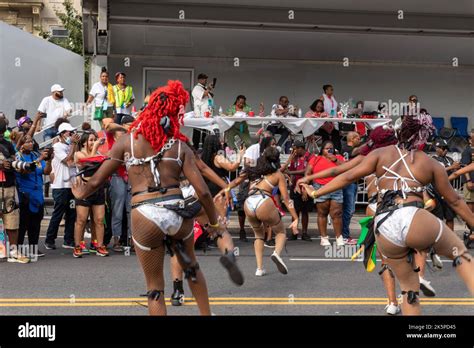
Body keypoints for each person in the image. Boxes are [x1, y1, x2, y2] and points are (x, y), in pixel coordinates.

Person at [72, 80, 224, 315]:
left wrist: (79, 193)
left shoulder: (126, 143)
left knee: (155, 289)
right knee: (192, 270)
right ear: (173, 115)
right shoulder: (180, 147)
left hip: (144, 213)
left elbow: (96, 180)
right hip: (177, 213)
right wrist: (214, 223)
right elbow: (203, 192)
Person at [301, 115, 474, 315]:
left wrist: (315, 192)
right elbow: (455, 201)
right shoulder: (430, 163)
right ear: (423, 137)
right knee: (460, 253)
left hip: (384, 225)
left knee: (409, 291)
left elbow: (346, 176)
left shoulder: (379, 155)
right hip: (412, 215)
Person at [222, 146, 299, 276]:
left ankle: (259, 268)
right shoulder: (278, 175)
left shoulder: (253, 169)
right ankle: (276, 253)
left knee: (258, 236)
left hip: (249, 202)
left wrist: (226, 190)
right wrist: (295, 217)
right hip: (264, 201)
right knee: (280, 232)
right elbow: (286, 198)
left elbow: (235, 181)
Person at [72, 131, 109, 258]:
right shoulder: (78, 154)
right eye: (91, 140)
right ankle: (77, 246)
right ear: (84, 142)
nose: (93, 142)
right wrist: (96, 148)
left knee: (99, 220)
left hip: (98, 189)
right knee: (81, 220)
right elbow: (90, 162)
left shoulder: (97, 153)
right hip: (84, 189)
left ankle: (99, 245)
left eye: (95, 140)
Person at [15, 136, 52, 259]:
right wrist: (40, 158)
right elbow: (26, 170)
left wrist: (48, 161)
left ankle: (33, 248)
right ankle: (18, 249)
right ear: (21, 144)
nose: (30, 144)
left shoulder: (35, 154)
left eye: (32, 141)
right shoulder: (18, 157)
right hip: (25, 195)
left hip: (38, 195)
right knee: (23, 224)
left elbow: (46, 171)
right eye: (27, 142)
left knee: (36, 223)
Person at [44, 123, 79, 250]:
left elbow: (75, 162)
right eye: (69, 133)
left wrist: (74, 145)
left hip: (72, 185)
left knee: (71, 214)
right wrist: (74, 145)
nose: (72, 135)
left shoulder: (71, 146)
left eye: (72, 132)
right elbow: (68, 161)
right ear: (62, 134)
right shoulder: (57, 146)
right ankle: (49, 240)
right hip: (60, 186)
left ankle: (68, 240)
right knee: (58, 214)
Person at [305, 140, 345, 247]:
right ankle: (324, 237)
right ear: (322, 150)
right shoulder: (315, 159)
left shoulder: (339, 157)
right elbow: (308, 172)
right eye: (327, 148)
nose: (329, 150)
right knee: (322, 213)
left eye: (331, 148)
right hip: (320, 187)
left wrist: (335, 159)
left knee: (337, 214)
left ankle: (339, 237)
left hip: (336, 187)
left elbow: (347, 167)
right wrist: (305, 186)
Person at [237, 131, 274, 241]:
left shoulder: (270, 151)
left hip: (264, 180)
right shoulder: (253, 148)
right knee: (242, 206)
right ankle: (242, 229)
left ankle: (265, 234)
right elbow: (246, 162)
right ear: (261, 139)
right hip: (249, 178)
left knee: (265, 205)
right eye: (267, 139)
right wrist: (259, 166)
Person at [0, 118, 28, 263]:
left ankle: (14, 251)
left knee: (12, 220)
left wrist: (18, 165)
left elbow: (14, 160)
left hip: (9, 187)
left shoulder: (8, 145)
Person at [281, 139, 314, 241]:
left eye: (295, 149)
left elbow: (307, 171)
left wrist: (292, 174)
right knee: (294, 210)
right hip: (295, 187)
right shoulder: (294, 157)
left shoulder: (310, 157)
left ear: (300, 148)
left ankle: (304, 233)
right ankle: (294, 232)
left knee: (305, 211)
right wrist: (290, 176)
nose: (293, 151)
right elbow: (290, 169)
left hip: (306, 186)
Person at [429, 139, 460, 231]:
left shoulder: (449, 159)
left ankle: (451, 237)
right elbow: (435, 171)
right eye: (442, 148)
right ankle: (437, 239)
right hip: (436, 192)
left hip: (448, 191)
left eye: (445, 148)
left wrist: (456, 168)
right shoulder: (432, 159)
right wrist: (451, 167)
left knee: (450, 217)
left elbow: (455, 173)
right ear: (437, 148)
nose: (445, 150)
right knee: (437, 217)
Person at [341, 132, 363, 245]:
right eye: (358, 138)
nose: (359, 140)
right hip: (348, 182)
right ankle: (344, 235)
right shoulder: (349, 149)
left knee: (348, 210)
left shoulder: (344, 148)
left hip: (351, 181)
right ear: (352, 139)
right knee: (348, 210)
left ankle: (343, 234)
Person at [191, 73, 214, 148]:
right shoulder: (196, 88)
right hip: (199, 113)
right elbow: (203, 95)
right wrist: (208, 89)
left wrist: (209, 89)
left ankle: (205, 146)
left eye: (206, 79)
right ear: (199, 79)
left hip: (206, 113)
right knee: (197, 131)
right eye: (204, 79)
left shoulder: (204, 88)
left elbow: (210, 96)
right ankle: (195, 147)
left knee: (205, 131)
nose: (206, 80)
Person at [460, 129, 474, 213]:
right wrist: (468, 180)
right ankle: (470, 225)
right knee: (470, 204)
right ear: (470, 139)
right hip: (470, 181)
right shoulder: (467, 151)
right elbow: (464, 166)